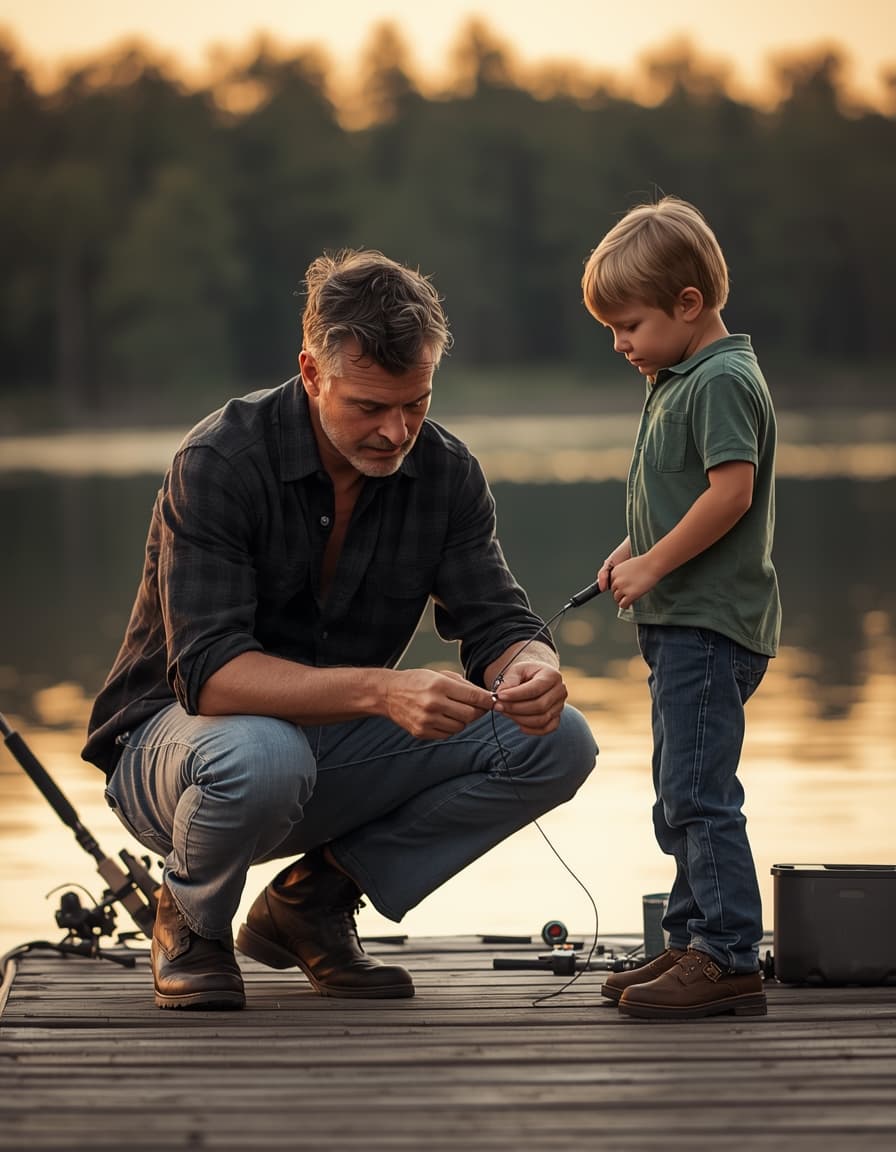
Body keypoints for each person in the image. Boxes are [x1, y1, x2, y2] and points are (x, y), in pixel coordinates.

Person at [82, 248, 597, 1010]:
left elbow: (498, 621)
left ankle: (312, 901)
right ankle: (190, 918)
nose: (396, 432)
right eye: (369, 407)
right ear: (312, 371)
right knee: (263, 752)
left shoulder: (448, 473)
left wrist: (530, 666)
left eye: (415, 403)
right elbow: (212, 675)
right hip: (174, 750)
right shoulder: (219, 461)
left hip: (320, 749)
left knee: (558, 741)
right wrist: (384, 692)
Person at [581, 197, 781, 1019]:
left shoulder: (724, 380)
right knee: (678, 788)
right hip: (681, 620)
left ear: (688, 305)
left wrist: (658, 561)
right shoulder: (682, 377)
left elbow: (731, 496)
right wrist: (637, 548)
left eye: (629, 325)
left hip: (708, 623)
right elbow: (685, 492)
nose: (622, 345)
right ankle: (689, 938)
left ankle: (728, 957)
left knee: (699, 794)